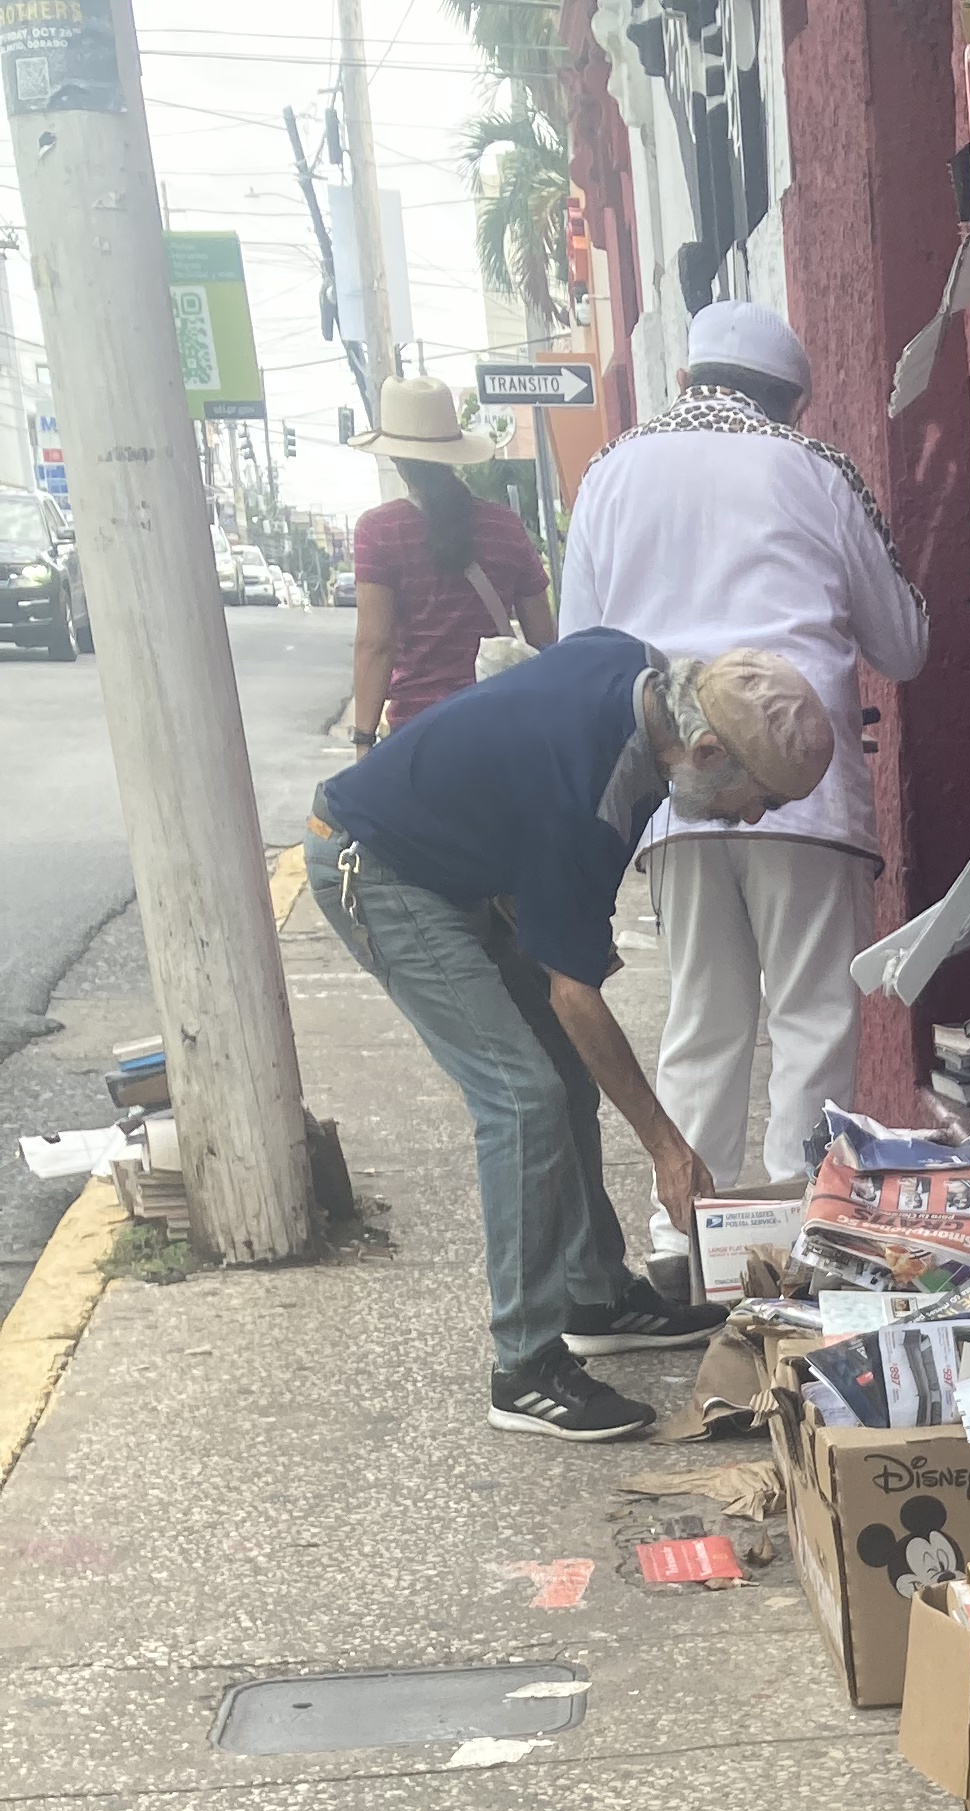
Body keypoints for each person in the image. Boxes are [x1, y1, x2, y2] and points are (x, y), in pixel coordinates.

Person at [307, 636, 834, 1443]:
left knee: (567, 1076)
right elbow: (574, 995)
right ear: (704, 750)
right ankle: (523, 1368)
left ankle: (594, 1297)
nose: (753, 817)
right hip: (380, 868)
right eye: (757, 797)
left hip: (458, 865)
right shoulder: (592, 797)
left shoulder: (634, 665)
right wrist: (667, 1148)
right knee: (523, 1099)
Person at [557, 299, 929, 1213]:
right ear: (794, 403)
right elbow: (906, 645)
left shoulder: (609, 471)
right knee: (812, 1018)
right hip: (806, 790)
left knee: (703, 1020)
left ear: (685, 381)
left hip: (671, 787)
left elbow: (578, 651)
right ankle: (805, 1234)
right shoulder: (816, 468)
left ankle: (684, 1237)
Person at [348, 376, 553, 741]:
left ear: (396, 458)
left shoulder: (378, 531)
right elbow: (543, 641)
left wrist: (363, 739)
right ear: (453, 455)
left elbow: (376, 646)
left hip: (420, 734)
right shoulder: (504, 526)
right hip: (501, 729)